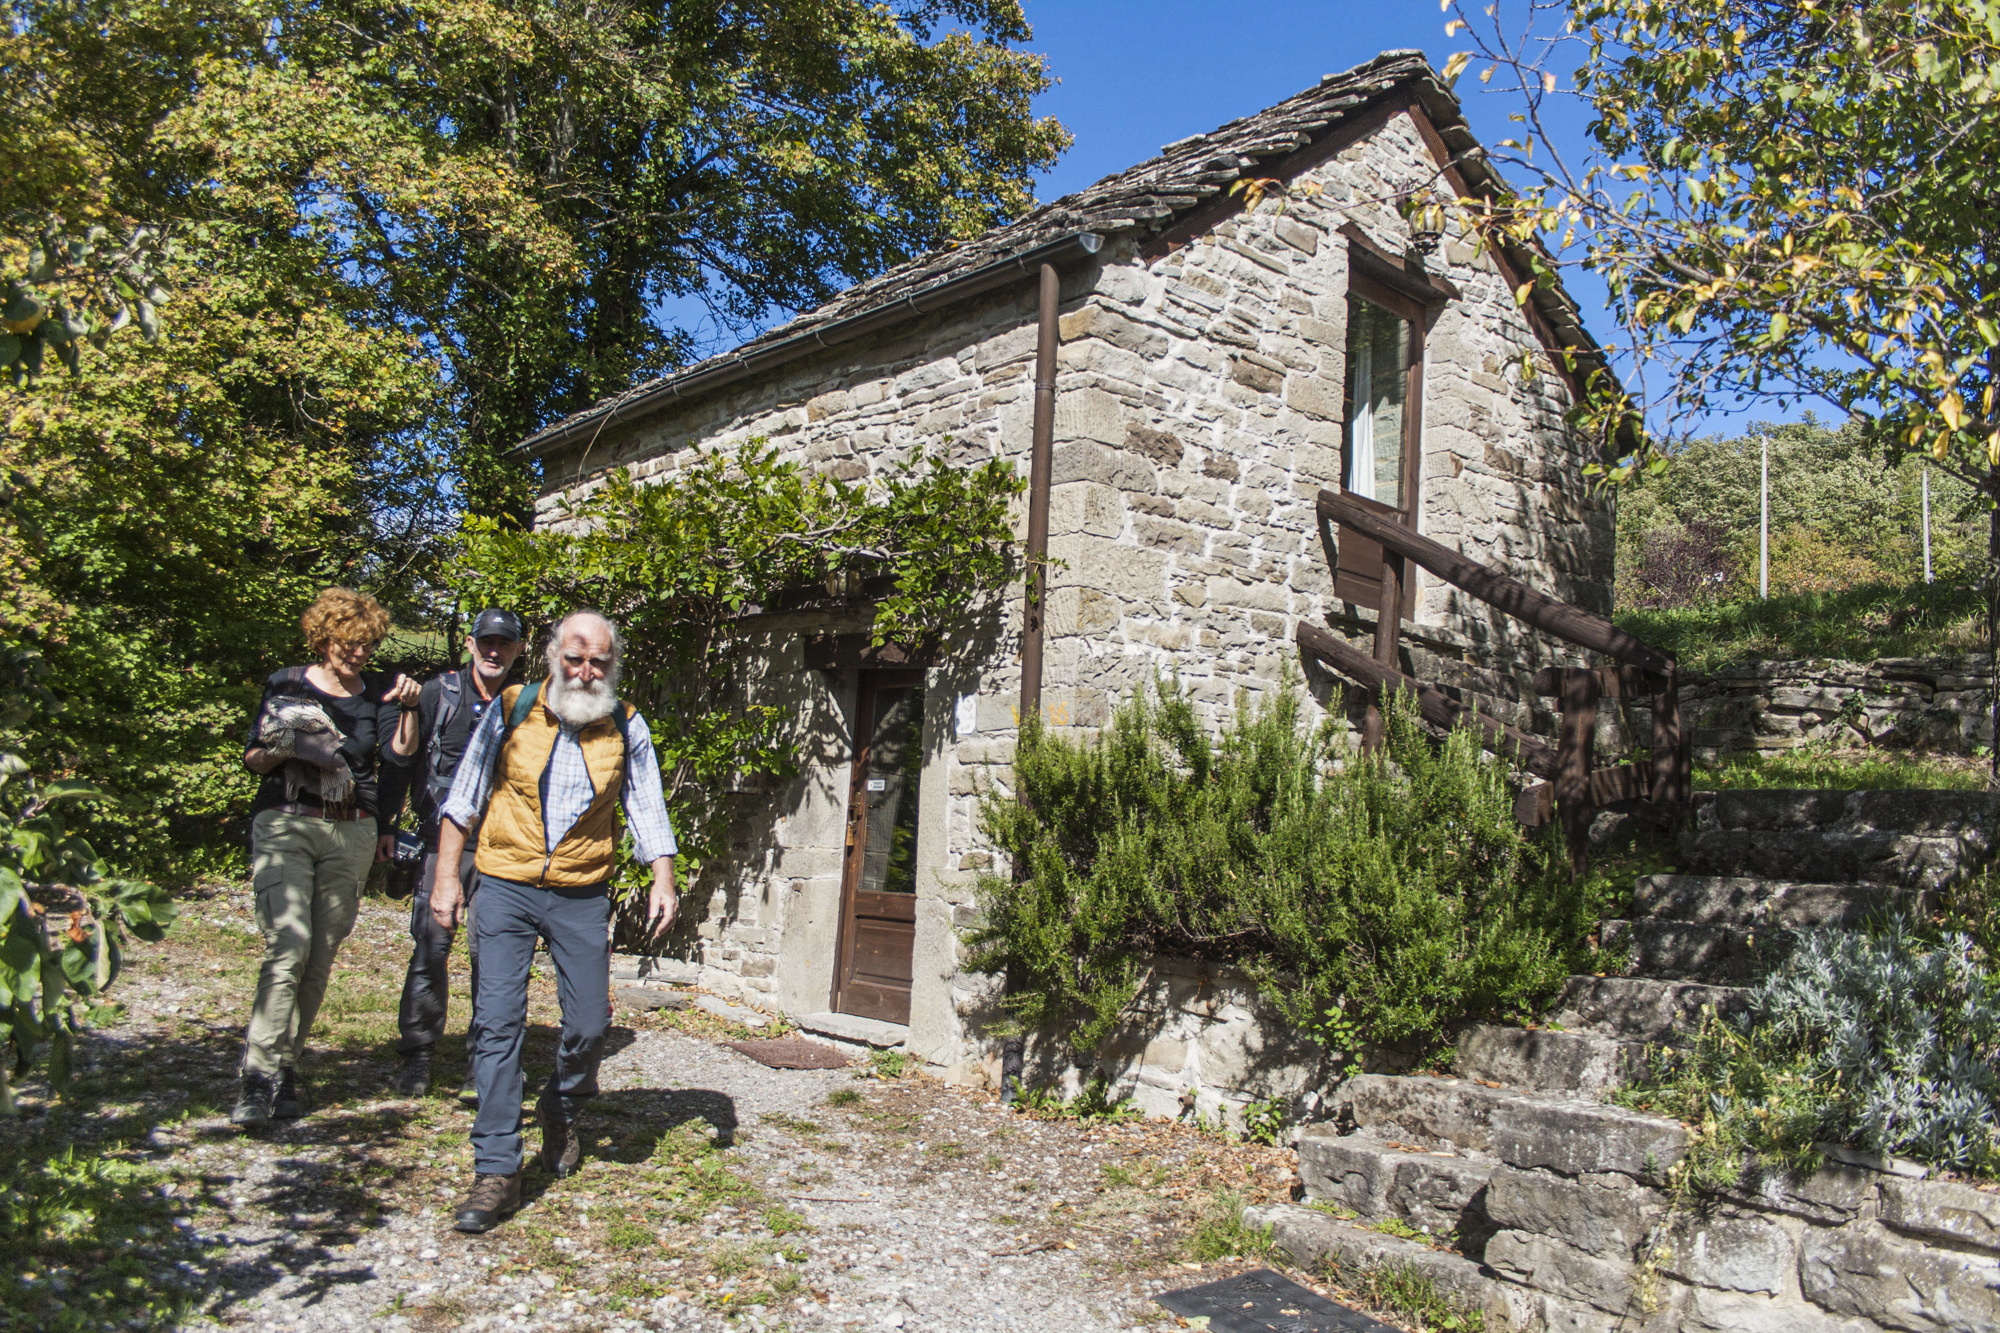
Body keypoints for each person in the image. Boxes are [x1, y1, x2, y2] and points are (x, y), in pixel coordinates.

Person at [431, 610, 679, 1233]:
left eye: (597, 660)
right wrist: (444, 879)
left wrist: (663, 878)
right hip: (506, 884)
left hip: (580, 891)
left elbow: (647, 805)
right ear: (552, 657)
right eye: (574, 658)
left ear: (612, 664)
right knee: (496, 1023)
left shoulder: (625, 725)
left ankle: (563, 1107)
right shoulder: (513, 708)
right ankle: (496, 1169)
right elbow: (463, 797)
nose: (585, 670)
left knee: (591, 1024)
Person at [233, 587, 421, 1127]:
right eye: (347, 643)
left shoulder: (381, 693)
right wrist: (292, 748)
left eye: (366, 644)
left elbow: (396, 761)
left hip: (352, 832)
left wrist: (407, 709)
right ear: (323, 638)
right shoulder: (288, 683)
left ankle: (285, 1066)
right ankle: (257, 1076)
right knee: (288, 945)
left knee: (319, 958)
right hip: (287, 821)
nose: (357, 653)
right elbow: (253, 759)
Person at [378, 607, 526, 1100]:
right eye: (486, 641)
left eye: (504, 644)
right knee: (431, 947)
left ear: (518, 650)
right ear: (469, 643)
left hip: (504, 846)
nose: (493, 651)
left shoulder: (526, 704)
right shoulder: (438, 693)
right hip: (442, 840)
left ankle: (481, 1065)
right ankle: (417, 1055)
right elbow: (400, 759)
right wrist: (387, 824)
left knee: (494, 956)